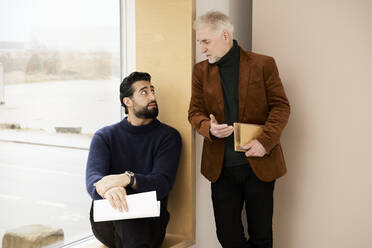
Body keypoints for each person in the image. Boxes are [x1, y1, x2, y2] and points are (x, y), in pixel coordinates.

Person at [188, 11, 290, 248]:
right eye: (200, 42)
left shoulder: (263, 64)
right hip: (220, 168)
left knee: (261, 235)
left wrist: (265, 141)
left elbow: (281, 107)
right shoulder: (200, 71)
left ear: (225, 35)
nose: (202, 48)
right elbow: (194, 113)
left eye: (206, 41)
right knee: (227, 236)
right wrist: (208, 128)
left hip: (259, 164)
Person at [86, 71, 182, 248]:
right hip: (108, 221)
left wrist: (127, 179)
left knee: (131, 220)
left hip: (149, 223)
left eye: (152, 91)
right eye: (144, 92)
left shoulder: (168, 136)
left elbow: (162, 183)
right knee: (123, 207)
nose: (152, 96)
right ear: (127, 101)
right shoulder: (104, 136)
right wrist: (110, 191)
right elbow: (93, 178)